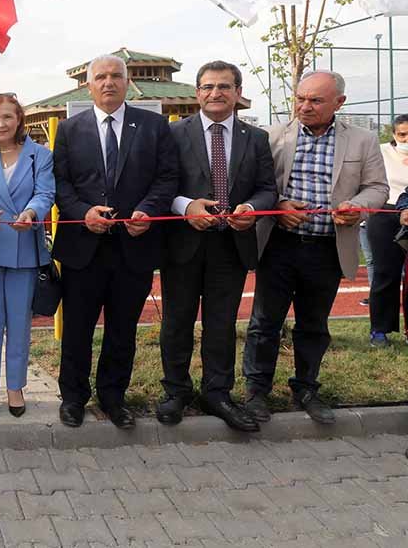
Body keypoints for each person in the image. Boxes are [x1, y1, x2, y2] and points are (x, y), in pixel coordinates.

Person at [243, 70, 388, 424]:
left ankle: (306, 388)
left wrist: (356, 207)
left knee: (314, 323)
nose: (304, 106)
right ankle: (256, 391)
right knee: (264, 322)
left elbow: (378, 188)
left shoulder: (363, 141)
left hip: (327, 247)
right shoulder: (271, 137)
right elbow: (256, 186)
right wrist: (278, 207)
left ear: (339, 102)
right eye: (300, 98)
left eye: (315, 100)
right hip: (279, 245)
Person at [52, 55, 178, 430]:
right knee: (77, 330)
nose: (108, 83)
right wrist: (82, 212)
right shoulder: (70, 130)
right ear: (88, 85)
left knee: (122, 330)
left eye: (116, 76)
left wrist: (147, 211)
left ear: (127, 83)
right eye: (101, 77)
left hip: (133, 246)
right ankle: (73, 398)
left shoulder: (154, 126)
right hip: (83, 248)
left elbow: (167, 178)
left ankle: (113, 397)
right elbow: (60, 184)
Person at [157, 61, 277, 431]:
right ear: (197, 93)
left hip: (232, 246)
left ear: (238, 93)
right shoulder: (173, 134)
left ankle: (217, 392)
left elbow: (267, 188)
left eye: (224, 86)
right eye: (208, 87)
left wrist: (253, 209)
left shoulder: (255, 138)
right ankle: (176, 391)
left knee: (221, 324)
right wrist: (186, 206)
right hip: (184, 244)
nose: (215, 93)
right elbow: (160, 185)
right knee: (177, 322)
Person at [0, 93, 55, 418]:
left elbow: (45, 192)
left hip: (24, 250)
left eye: (7, 117)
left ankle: (15, 387)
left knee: (19, 323)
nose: (1, 124)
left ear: (19, 118)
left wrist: (32, 213)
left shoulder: (39, 155)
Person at [366, 114, 408, 346]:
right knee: (384, 273)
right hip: (384, 214)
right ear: (394, 135)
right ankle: (380, 330)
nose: (406, 139)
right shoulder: (380, 151)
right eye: (402, 134)